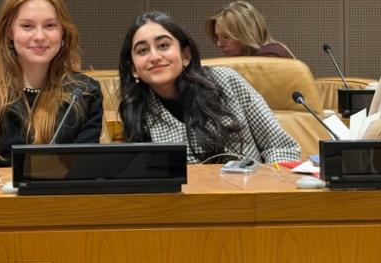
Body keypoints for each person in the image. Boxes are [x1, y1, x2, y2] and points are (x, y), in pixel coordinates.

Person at [0, 0, 103, 167]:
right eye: (27, 26)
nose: (39, 36)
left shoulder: (85, 94)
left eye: (50, 25)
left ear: (63, 32)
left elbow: (83, 170)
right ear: (10, 32)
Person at [118, 11, 300, 163]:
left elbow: (281, 147)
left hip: (252, 196)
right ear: (134, 68)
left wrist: (268, 189)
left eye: (163, 45)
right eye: (142, 50)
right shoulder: (135, 107)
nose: (154, 56)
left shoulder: (225, 81)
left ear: (186, 55)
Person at [205, 1, 294, 58]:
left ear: (247, 34)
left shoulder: (269, 56)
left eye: (226, 37)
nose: (219, 44)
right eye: (217, 37)